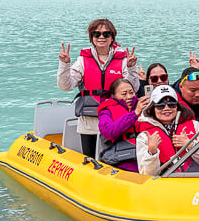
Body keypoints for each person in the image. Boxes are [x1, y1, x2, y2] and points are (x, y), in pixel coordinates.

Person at [58, 18, 139, 158]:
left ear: (112, 37)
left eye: (106, 34)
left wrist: (131, 69)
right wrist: (64, 65)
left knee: (114, 158)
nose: (101, 37)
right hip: (89, 121)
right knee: (89, 158)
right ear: (92, 37)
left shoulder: (124, 60)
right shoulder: (83, 60)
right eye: (97, 34)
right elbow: (66, 86)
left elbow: (134, 88)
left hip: (116, 121)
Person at [135, 86, 199, 175]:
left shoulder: (195, 125)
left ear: (177, 106)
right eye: (160, 105)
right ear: (152, 108)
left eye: (171, 104)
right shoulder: (144, 136)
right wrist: (151, 151)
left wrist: (191, 145)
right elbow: (146, 175)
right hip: (167, 185)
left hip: (196, 181)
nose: (166, 108)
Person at [97, 79, 149, 171]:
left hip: (146, 156)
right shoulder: (106, 112)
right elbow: (109, 132)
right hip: (120, 160)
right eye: (124, 94)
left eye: (131, 92)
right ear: (113, 96)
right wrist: (135, 114)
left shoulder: (143, 107)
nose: (129, 97)